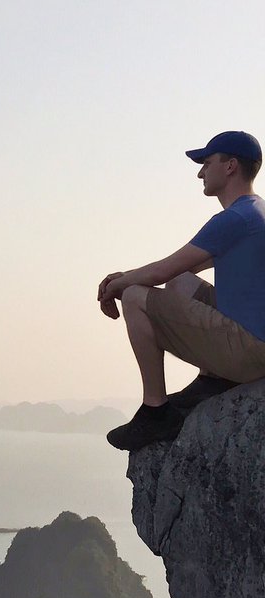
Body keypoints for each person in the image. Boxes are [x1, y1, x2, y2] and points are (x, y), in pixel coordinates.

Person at [99, 130, 265, 450]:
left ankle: (155, 411)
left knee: (135, 296)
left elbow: (163, 270)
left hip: (251, 352)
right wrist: (126, 276)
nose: (200, 172)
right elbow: (181, 270)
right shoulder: (255, 211)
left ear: (230, 166)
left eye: (207, 162)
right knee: (180, 284)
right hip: (256, 342)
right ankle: (213, 379)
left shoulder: (232, 220)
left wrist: (117, 287)